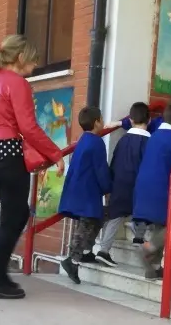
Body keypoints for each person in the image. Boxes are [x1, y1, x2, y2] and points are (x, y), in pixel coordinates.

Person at [0, 34, 65, 299]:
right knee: (14, 216)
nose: (36, 64)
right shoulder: (18, 83)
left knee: (13, 215)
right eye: (33, 59)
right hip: (8, 153)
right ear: (19, 57)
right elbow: (28, 127)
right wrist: (55, 154)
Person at [133, 102, 171, 279]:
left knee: (161, 225)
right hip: (164, 188)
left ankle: (153, 268)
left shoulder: (154, 136)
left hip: (145, 186)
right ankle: (148, 248)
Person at [59, 107, 112, 284]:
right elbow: (101, 168)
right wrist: (107, 188)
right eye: (101, 119)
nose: (103, 122)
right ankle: (72, 260)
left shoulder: (83, 140)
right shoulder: (97, 143)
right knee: (86, 224)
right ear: (97, 122)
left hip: (78, 187)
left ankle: (86, 252)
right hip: (88, 190)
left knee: (97, 219)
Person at [96, 102, 151, 267]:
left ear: (131, 120)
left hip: (119, 184)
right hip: (140, 185)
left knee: (115, 216)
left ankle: (103, 250)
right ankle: (139, 238)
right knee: (143, 211)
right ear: (149, 120)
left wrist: (110, 184)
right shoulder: (150, 142)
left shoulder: (122, 140)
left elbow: (114, 162)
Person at [106, 95, 171, 134]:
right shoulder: (159, 122)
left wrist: (120, 123)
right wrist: (120, 123)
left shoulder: (159, 122)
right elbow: (140, 121)